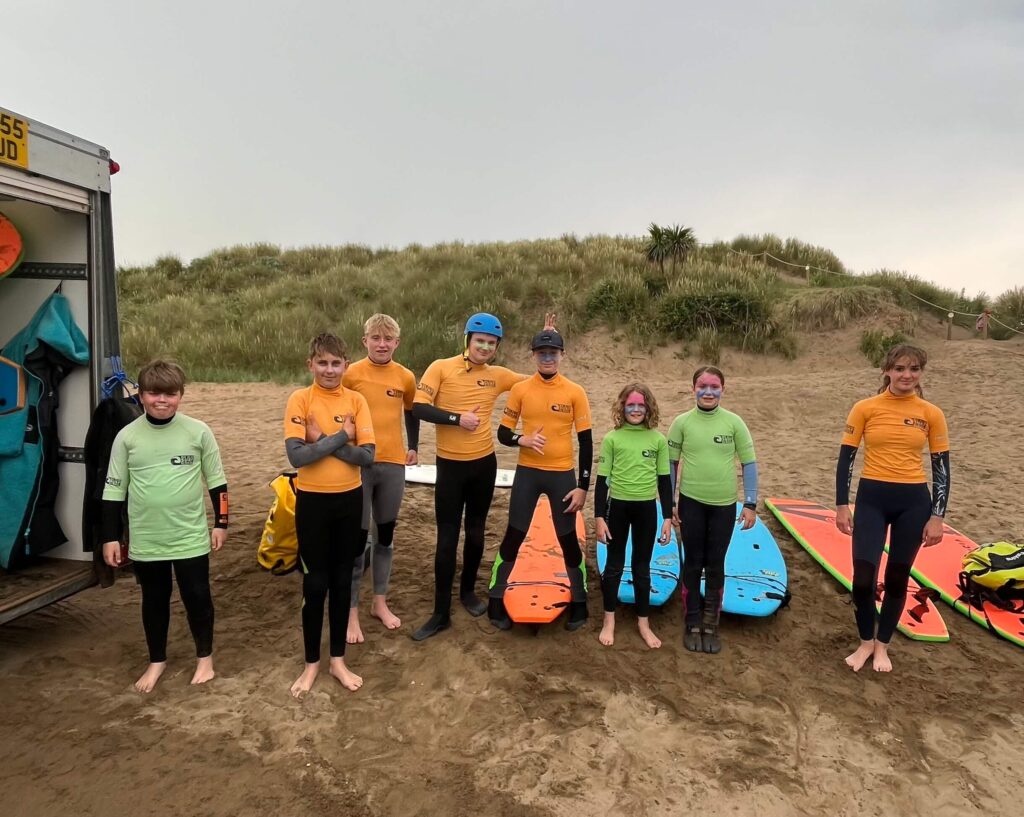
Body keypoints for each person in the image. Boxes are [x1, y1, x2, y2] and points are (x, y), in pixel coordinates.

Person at [410, 312, 553, 641]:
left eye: (491, 343)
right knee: (447, 538)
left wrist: (545, 341)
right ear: (468, 340)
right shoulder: (441, 367)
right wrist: (456, 418)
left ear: (497, 347)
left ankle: (468, 593)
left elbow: (540, 377)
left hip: (483, 465)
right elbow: (419, 407)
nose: (485, 348)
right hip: (450, 467)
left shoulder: (497, 375)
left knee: (476, 532)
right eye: (480, 341)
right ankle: (440, 613)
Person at [101, 360, 228, 694]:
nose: (162, 400)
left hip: (190, 537)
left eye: (170, 394)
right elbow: (113, 490)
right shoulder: (126, 437)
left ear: (180, 395)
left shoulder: (198, 431)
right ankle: (156, 660)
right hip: (147, 538)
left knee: (197, 597)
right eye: (154, 393)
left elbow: (217, 482)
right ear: (141, 395)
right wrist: (110, 537)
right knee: (154, 600)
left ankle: (205, 659)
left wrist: (221, 523)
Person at [834, 344, 949, 673]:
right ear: (886, 370)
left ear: (921, 373)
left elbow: (942, 469)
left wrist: (937, 517)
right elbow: (846, 461)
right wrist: (841, 505)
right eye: (899, 368)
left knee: (897, 578)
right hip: (871, 499)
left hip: (913, 503)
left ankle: (882, 645)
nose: (906, 375)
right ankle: (865, 642)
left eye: (914, 369)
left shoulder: (931, 414)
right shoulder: (865, 408)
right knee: (863, 580)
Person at [284, 333, 375, 697]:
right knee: (314, 585)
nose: (329, 370)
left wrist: (320, 438)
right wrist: (340, 437)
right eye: (322, 362)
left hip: (349, 502)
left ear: (346, 365)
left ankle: (337, 661)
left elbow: (366, 456)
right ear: (310, 364)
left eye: (336, 363)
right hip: (312, 504)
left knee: (341, 583)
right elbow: (297, 456)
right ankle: (311, 665)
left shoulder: (356, 400)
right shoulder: (300, 399)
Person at [487, 329, 593, 632]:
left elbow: (586, 442)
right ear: (533, 355)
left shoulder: (575, 392)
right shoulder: (521, 390)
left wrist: (583, 487)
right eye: (542, 353)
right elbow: (503, 433)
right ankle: (495, 598)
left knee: (567, 539)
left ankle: (580, 601)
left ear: (562, 355)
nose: (547, 358)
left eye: (553, 353)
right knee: (514, 535)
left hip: (562, 476)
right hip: (528, 474)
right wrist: (522, 439)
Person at [668, 366, 758, 655]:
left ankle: (711, 623)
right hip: (691, 502)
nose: (708, 392)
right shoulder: (681, 423)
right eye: (702, 386)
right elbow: (670, 465)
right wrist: (670, 502)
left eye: (714, 386)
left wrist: (750, 503)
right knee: (693, 562)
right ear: (693, 389)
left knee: (716, 563)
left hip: (724, 505)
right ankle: (692, 621)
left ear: (723, 389)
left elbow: (749, 463)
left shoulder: (734, 423)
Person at [342, 313, 419, 643]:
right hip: (359, 465)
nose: (382, 344)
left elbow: (411, 411)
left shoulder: (405, 376)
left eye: (388, 339)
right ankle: (351, 611)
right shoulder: (351, 374)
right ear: (365, 341)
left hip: (393, 464)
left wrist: (413, 446)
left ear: (397, 343)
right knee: (357, 540)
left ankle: (379, 602)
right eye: (376, 338)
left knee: (385, 536)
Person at [594, 383, 673, 649]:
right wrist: (599, 517)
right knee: (614, 565)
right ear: (622, 407)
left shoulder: (657, 440)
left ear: (648, 408)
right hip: (617, 508)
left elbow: (664, 482)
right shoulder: (612, 439)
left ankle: (643, 623)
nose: (636, 410)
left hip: (646, 510)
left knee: (642, 567)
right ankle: (609, 620)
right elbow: (602, 482)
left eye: (641, 405)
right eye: (631, 405)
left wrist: (667, 518)